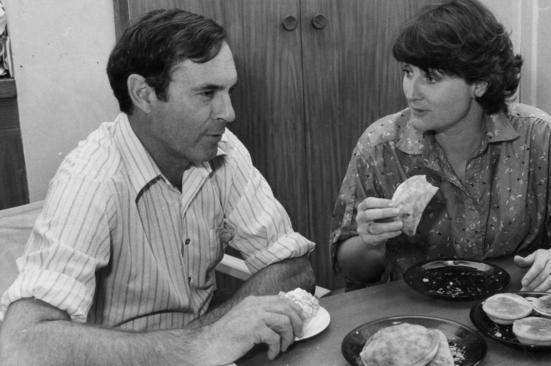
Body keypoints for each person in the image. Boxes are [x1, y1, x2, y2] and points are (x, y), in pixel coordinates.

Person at [0, 9, 317, 365]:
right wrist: (202, 341)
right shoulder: (90, 178)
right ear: (144, 94)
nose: (228, 113)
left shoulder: (223, 148)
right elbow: (21, 344)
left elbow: (293, 267)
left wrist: (209, 335)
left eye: (229, 91)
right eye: (207, 92)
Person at [330, 0, 551, 294]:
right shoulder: (379, 147)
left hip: (513, 307)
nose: (411, 92)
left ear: (478, 83)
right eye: (407, 72)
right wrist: (370, 243)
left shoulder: (538, 137)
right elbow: (350, 267)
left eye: (431, 77)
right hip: (413, 315)